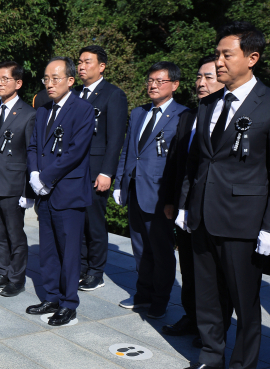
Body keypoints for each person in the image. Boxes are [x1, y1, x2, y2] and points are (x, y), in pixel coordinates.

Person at [171, 21, 270, 369]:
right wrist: (184, 204)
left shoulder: (269, 104)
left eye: (226, 54)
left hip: (244, 221)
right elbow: (196, 161)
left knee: (245, 305)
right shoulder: (209, 103)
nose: (218, 62)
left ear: (252, 57)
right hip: (201, 215)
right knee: (208, 299)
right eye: (217, 54)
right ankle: (211, 360)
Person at [113, 61, 188, 319]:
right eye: (150, 80)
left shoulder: (182, 115)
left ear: (175, 84)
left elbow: (179, 163)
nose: (153, 85)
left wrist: (173, 199)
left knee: (161, 250)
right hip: (135, 189)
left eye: (160, 81)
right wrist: (120, 182)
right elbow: (128, 151)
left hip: (159, 195)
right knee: (139, 247)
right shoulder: (138, 113)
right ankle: (142, 295)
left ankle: (160, 300)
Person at [161, 55, 225, 346]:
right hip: (186, 208)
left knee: (215, 277)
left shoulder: (231, 116)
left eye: (208, 77)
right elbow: (177, 163)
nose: (200, 83)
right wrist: (171, 200)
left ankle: (214, 330)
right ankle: (192, 317)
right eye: (198, 77)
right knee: (187, 266)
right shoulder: (190, 116)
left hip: (217, 209)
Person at [25, 57, 94, 325]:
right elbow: (33, 146)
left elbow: (76, 152)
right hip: (44, 191)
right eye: (46, 79)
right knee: (49, 249)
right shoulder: (43, 109)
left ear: (70, 80)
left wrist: (45, 177)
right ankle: (51, 296)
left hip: (68, 190)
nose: (50, 84)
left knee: (69, 251)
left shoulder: (83, 109)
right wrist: (33, 174)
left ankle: (68, 303)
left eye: (55, 78)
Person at [0, 61, 36, 297]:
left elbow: (31, 153)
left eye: (4, 79)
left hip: (12, 184)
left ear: (18, 83)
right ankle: (2, 271)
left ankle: (16, 277)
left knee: (15, 234)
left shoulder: (28, 114)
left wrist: (27, 191)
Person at [74, 45, 128, 292]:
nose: (81, 67)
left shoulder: (112, 94)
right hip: (73, 170)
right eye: (79, 62)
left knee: (94, 222)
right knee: (77, 220)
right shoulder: (74, 94)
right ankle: (82, 266)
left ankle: (96, 270)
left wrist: (107, 172)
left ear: (102, 66)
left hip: (96, 170)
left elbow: (116, 137)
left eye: (87, 62)